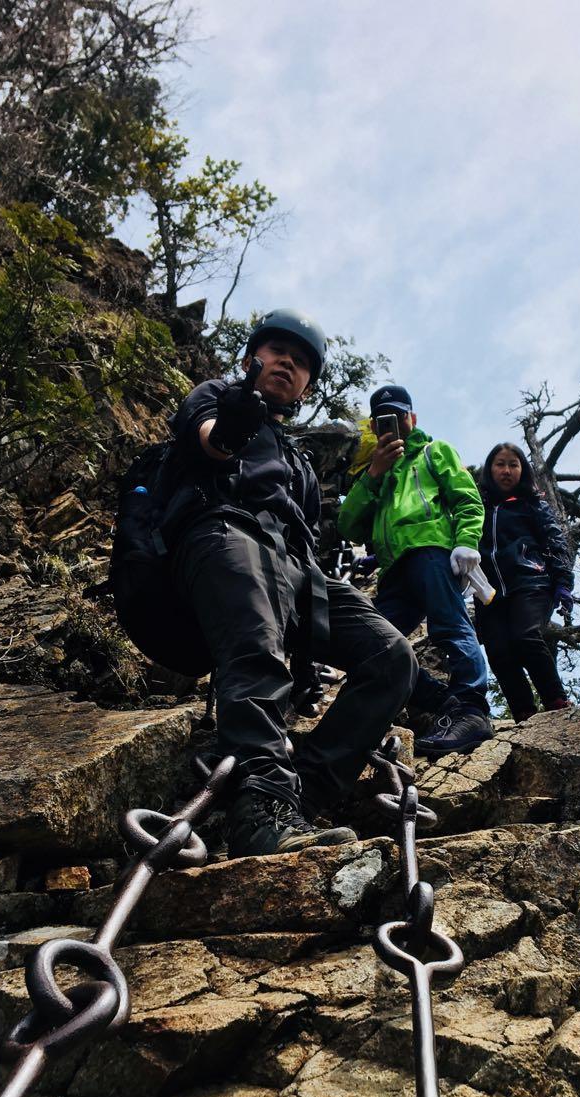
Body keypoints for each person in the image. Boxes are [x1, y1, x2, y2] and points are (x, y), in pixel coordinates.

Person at [164, 309, 416, 858]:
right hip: (223, 532)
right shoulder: (215, 396)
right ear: (253, 357)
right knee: (256, 648)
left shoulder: (298, 457)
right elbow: (209, 441)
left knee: (392, 656)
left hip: (299, 571)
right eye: (279, 351)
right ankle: (258, 811)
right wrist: (233, 425)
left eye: (301, 362)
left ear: (306, 385)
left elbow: (311, 536)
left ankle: (301, 794)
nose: (288, 363)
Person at [337, 385, 493, 756]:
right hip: (393, 569)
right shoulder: (377, 472)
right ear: (374, 426)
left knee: (449, 625)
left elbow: (466, 497)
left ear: (413, 418)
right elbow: (348, 527)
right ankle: (445, 702)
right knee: (372, 642)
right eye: (383, 418)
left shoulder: (433, 451)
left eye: (399, 414)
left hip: (432, 552)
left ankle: (472, 709)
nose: (394, 423)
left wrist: (467, 541)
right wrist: (374, 474)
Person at [475, 442, 574, 720]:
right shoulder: (475, 507)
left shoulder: (532, 504)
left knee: (526, 636)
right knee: (498, 651)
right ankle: (524, 713)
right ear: (490, 469)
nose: (506, 470)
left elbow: (555, 540)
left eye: (513, 464)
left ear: (523, 470)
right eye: (500, 464)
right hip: (488, 590)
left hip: (531, 581)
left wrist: (563, 581)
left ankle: (556, 700)